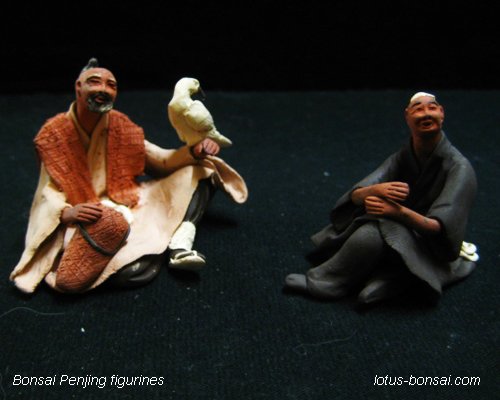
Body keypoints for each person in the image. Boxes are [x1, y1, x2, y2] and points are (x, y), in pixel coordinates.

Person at [11, 58, 247, 293]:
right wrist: (66, 212)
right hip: (86, 213)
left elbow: (162, 162)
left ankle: (179, 243)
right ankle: (143, 255)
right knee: (125, 268)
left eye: (111, 85)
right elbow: (48, 191)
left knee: (200, 171)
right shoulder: (54, 135)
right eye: (95, 82)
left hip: (130, 200)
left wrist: (194, 151)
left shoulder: (121, 127)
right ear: (78, 87)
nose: (104, 90)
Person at [285, 92, 478, 304]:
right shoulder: (402, 157)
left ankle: (328, 283)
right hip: (399, 226)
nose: (426, 114)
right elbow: (357, 195)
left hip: (429, 244)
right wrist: (374, 191)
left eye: (432, 108)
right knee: (372, 231)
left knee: (371, 233)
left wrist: (396, 211)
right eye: (418, 109)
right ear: (407, 117)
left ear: (441, 113)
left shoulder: (459, 168)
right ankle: (387, 278)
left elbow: (437, 227)